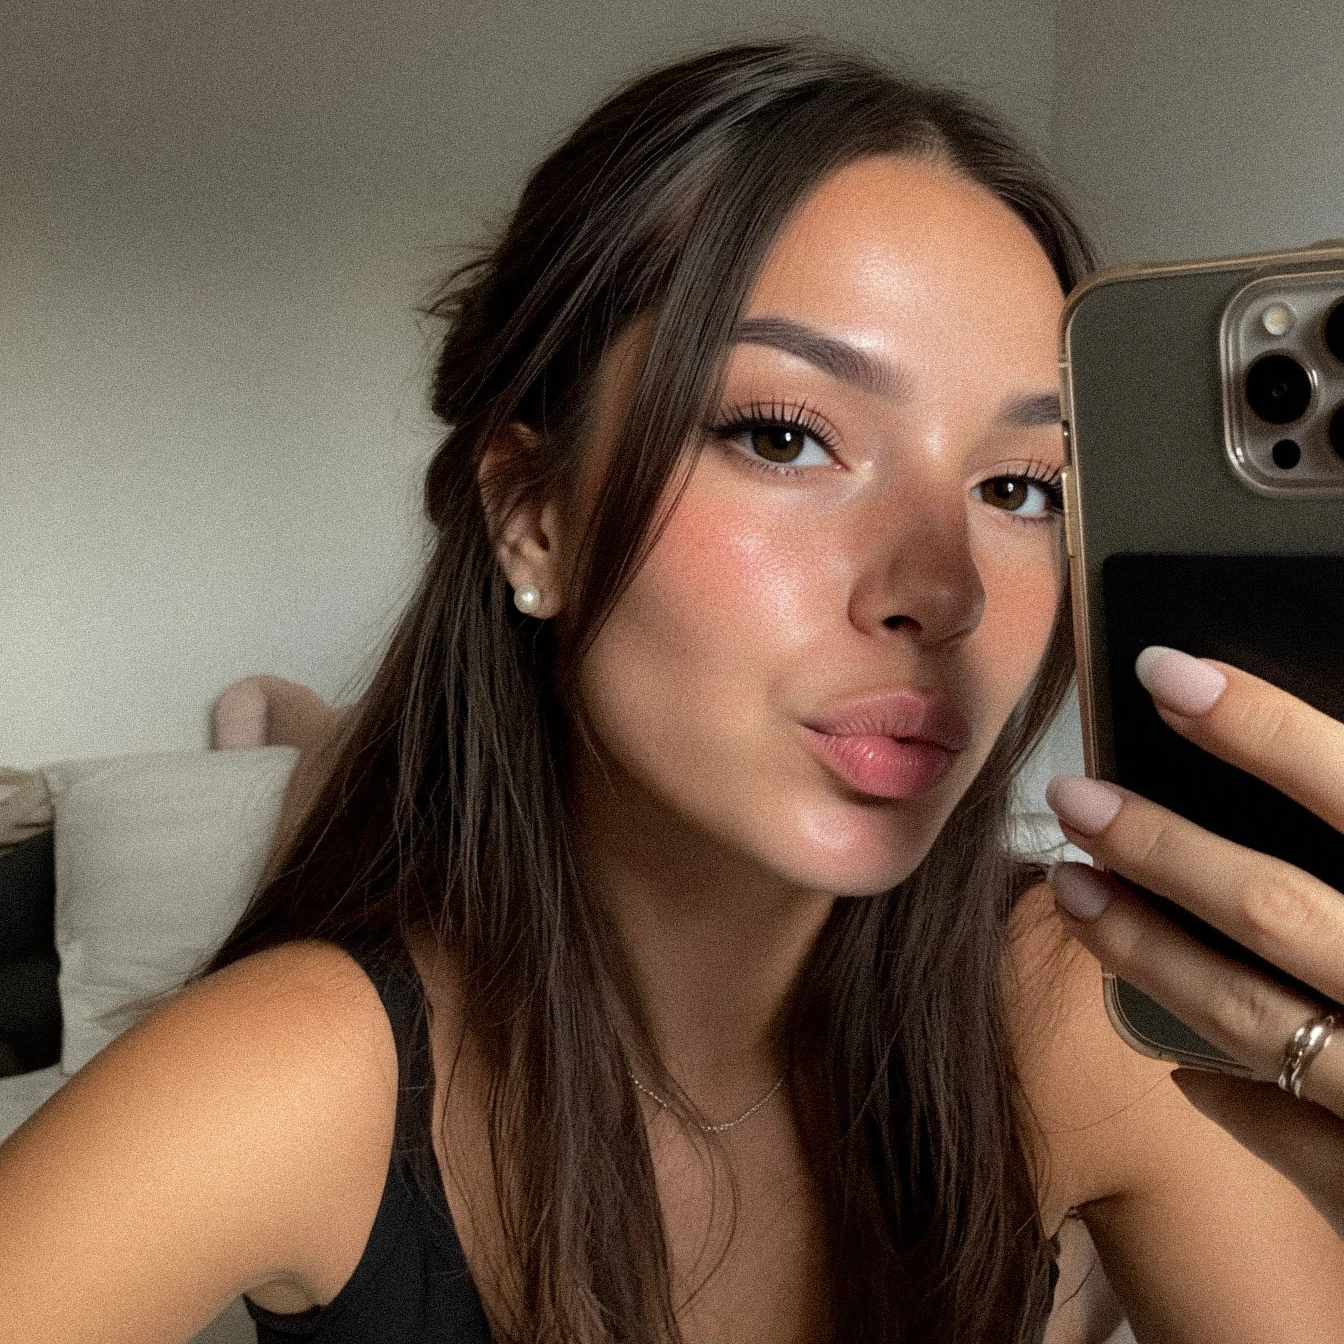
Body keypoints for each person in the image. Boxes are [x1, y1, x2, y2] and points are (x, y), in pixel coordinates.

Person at [2, 40, 1341, 1344]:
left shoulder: (1079, 1003)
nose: (946, 592)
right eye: (785, 436)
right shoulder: (298, 1073)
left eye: (1021, 488)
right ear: (534, 519)